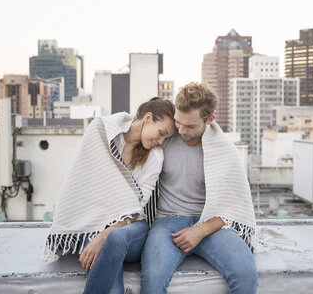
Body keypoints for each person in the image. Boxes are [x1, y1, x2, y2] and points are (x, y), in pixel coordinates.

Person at [43, 97, 176, 294]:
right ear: (148, 118)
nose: (160, 141)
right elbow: (80, 184)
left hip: (132, 229)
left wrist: (103, 236)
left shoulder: (155, 157)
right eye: (161, 133)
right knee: (110, 277)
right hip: (92, 223)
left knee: (115, 238)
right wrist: (99, 234)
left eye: (165, 138)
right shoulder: (101, 132)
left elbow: (138, 207)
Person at [141, 83, 258, 294]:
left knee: (246, 275)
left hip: (210, 225)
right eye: (178, 122)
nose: (182, 131)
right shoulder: (166, 137)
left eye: (191, 126)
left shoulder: (224, 149)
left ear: (209, 119)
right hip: (168, 223)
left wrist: (199, 231)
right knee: (153, 280)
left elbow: (234, 207)